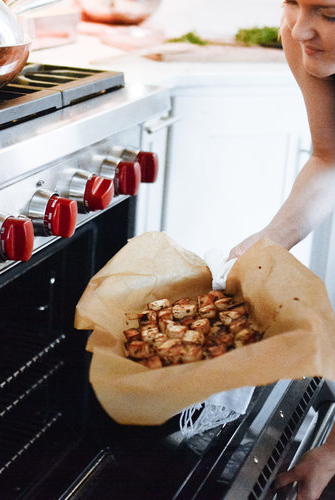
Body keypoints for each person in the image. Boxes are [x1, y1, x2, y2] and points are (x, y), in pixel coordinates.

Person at [229, 1, 335, 499]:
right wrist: (272, 239)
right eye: (292, 1)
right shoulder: (301, 37)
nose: (300, 28)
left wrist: (332, 452)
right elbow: (331, 156)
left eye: (330, 14)